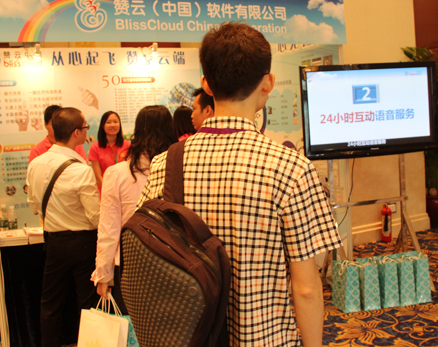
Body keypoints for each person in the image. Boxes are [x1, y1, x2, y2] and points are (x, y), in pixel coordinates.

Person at [138, 22, 342, 347]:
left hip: (191, 337)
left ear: (206, 83)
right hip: (263, 338)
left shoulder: (165, 162)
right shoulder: (291, 168)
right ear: (268, 83)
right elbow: (306, 288)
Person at [26, 107, 100, 347]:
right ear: (77, 133)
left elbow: (34, 207)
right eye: (85, 127)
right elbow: (96, 217)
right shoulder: (80, 170)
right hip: (83, 243)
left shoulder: (36, 164)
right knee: (88, 303)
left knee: (51, 303)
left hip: (53, 242)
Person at [91, 105, 177, 312]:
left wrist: (103, 274)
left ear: (137, 132)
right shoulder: (180, 169)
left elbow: (109, 228)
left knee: (135, 326)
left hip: (132, 265)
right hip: (176, 264)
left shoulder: (117, 173)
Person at [88, 111, 131, 190]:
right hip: (104, 188)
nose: (112, 125)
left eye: (115, 122)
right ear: (102, 125)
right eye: (108, 122)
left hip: (125, 188)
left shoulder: (127, 145)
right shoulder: (95, 147)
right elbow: (98, 176)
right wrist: (107, 191)